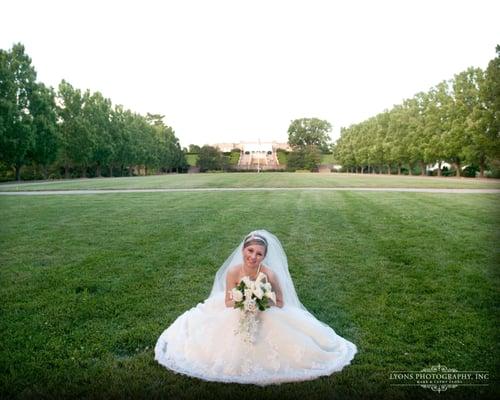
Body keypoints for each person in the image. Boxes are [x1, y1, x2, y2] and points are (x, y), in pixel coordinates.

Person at [154, 230, 357, 385]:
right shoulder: (233, 272)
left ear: (264, 256)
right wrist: (245, 301)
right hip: (237, 310)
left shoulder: (269, 274)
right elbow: (227, 301)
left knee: (277, 330)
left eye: (259, 254)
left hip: (266, 311)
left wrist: (260, 301)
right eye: (250, 251)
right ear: (243, 250)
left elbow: (279, 302)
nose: (253, 256)